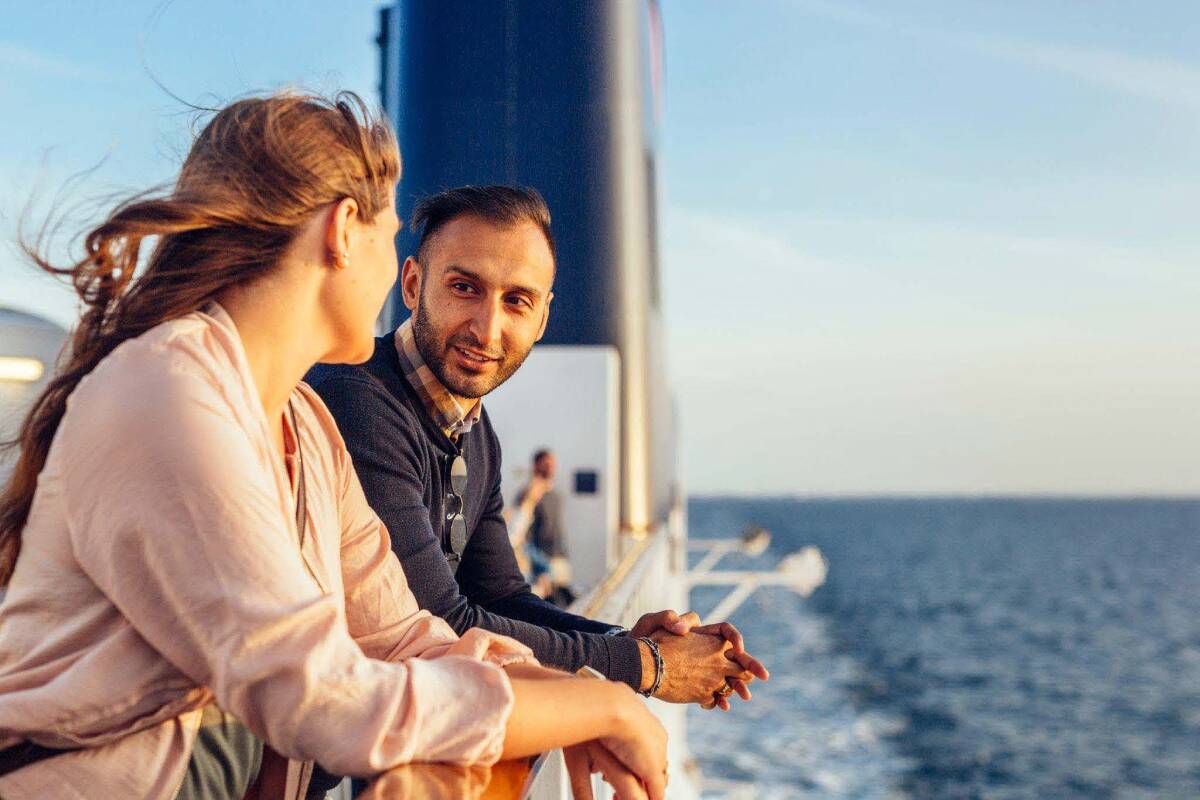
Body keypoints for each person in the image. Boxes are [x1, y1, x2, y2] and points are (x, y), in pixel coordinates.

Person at [0, 94, 666, 800]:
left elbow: (406, 637)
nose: (388, 273)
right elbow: (317, 697)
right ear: (346, 232)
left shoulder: (307, 425)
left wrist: (569, 696)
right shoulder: (166, 388)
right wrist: (610, 705)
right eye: (389, 240)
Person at [308, 185, 768, 710]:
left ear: (542, 318)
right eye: (464, 287)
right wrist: (647, 666)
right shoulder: (358, 404)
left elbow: (501, 596)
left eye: (517, 301)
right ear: (412, 285)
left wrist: (624, 643)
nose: (488, 328)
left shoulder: (478, 436)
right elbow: (440, 623)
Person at [512, 449, 570, 604]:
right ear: (536, 465)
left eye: (553, 463)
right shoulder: (526, 494)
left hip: (557, 556)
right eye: (546, 463)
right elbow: (518, 533)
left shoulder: (556, 496)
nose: (551, 467)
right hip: (537, 559)